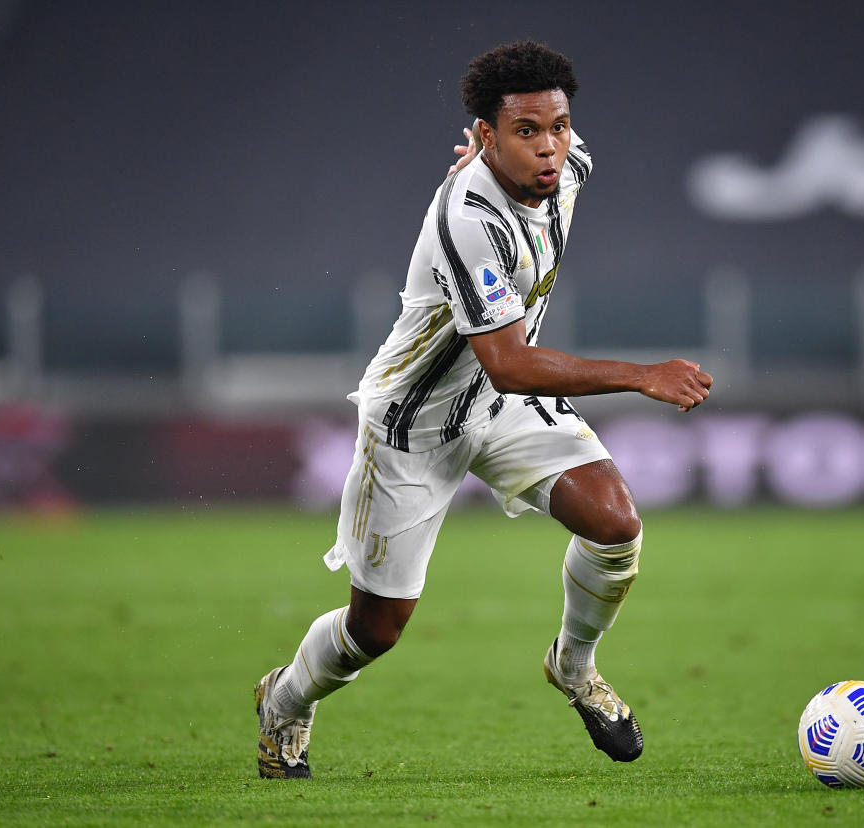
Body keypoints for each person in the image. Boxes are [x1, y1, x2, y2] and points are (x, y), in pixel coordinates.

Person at [254, 40, 712, 779]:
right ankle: (286, 701)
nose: (549, 147)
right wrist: (641, 376)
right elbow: (509, 359)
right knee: (377, 629)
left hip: (500, 409)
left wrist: (537, 138)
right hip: (415, 426)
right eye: (525, 131)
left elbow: (503, 377)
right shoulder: (467, 218)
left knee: (615, 521)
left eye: (557, 126)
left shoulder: (565, 167)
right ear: (486, 136)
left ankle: (574, 666)